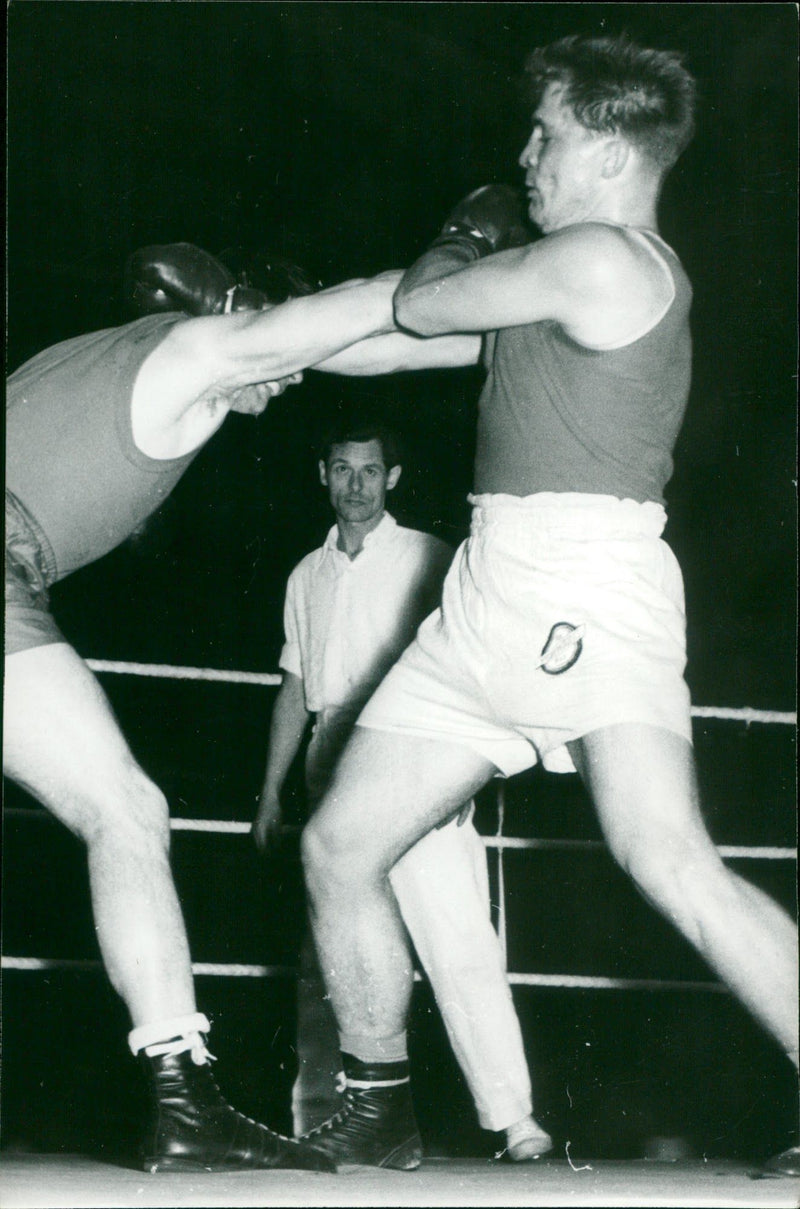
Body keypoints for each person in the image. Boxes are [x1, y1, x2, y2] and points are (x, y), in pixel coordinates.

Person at [294, 35, 799, 1174]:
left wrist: (465, 229)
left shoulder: (606, 260)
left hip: (582, 582)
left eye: (548, 134)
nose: (526, 156)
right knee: (338, 845)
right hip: (486, 590)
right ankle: (378, 1101)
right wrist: (254, 348)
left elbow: (422, 303)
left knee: (667, 858)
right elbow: (397, 344)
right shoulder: (559, 281)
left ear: (614, 153)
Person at [3, 241, 481, 1173]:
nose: (290, 381)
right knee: (126, 812)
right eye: (281, 354)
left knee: (125, 810)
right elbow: (363, 311)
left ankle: (187, 1101)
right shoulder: (197, 352)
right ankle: (185, 1106)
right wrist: (490, 293)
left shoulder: (92, 359)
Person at [252, 420, 551, 1163]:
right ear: (323, 473)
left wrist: (465, 770)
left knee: (458, 941)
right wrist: (269, 792)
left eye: (369, 470)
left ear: (393, 477)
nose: (355, 483)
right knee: (331, 961)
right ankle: (324, 1120)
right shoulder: (304, 574)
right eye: (342, 468)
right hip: (329, 773)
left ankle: (516, 1122)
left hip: (416, 765)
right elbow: (295, 687)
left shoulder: (430, 556)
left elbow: (475, 669)